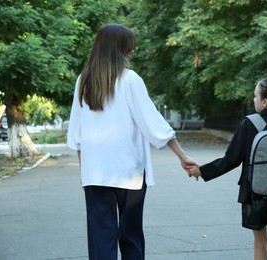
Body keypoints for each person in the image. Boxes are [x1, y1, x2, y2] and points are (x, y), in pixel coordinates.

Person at [67, 24, 197, 260]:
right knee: (131, 236)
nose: (132, 51)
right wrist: (182, 155)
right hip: (130, 174)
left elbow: (77, 134)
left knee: (100, 239)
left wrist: (84, 172)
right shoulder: (130, 80)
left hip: (95, 173)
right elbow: (154, 124)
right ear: (119, 49)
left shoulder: (83, 81)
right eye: (129, 47)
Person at [188, 77, 267, 260]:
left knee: (260, 245)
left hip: (253, 193)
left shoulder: (249, 124)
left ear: (265, 102)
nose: (254, 100)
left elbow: (230, 160)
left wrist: (202, 171)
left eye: (255, 96)